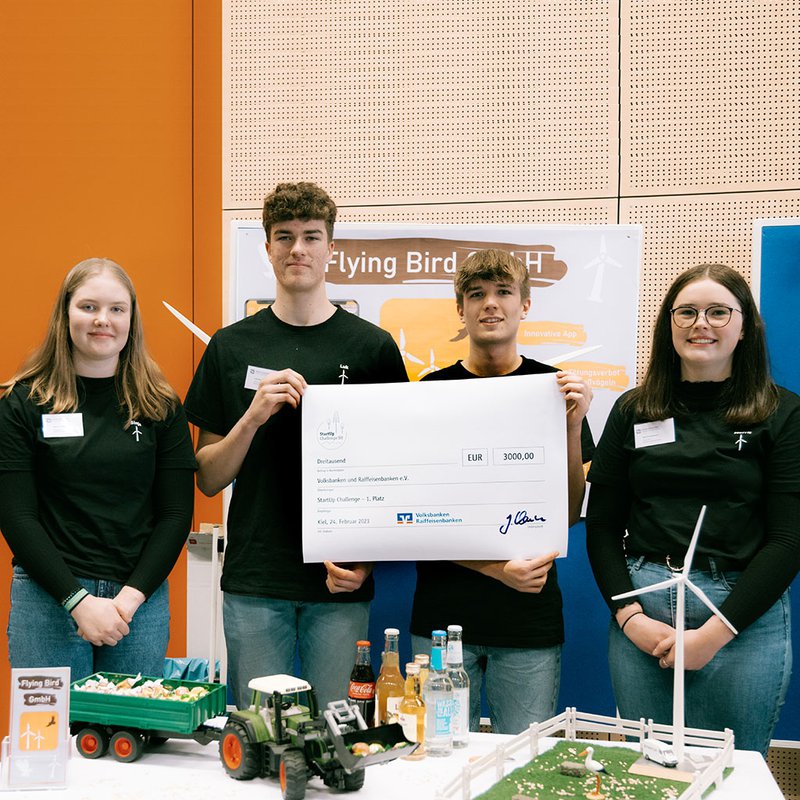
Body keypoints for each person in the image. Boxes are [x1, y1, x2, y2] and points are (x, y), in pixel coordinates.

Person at [184, 182, 408, 709]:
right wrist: (253, 416)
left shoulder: (372, 347)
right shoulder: (230, 346)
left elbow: (399, 474)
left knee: (338, 734)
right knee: (260, 733)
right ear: (267, 248)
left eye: (311, 237)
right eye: (284, 237)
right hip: (256, 576)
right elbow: (209, 476)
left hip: (339, 580)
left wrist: (368, 562)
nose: (297, 249)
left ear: (332, 247)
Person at [585, 264, 800, 756]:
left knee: (733, 771)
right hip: (643, 611)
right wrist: (629, 617)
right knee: (650, 770)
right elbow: (600, 527)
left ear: (745, 327)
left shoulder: (783, 414)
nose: (701, 323)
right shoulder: (633, 409)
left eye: (718, 311)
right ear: (669, 325)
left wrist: (713, 635)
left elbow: (789, 541)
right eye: (686, 312)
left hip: (738, 615)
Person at [409, 248, 595, 733]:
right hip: (441, 621)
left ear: (525, 305)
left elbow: (571, 512)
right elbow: (411, 516)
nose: (490, 304)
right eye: (476, 294)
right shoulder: (429, 392)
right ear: (461, 310)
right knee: (437, 765)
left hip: (527, 624)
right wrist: (496, 569)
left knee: (522, 763)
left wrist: (572, 427)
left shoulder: (555, 389)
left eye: (503, 292)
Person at [0, 258, 196, 680]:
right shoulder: (22, 401)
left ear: (131, 319)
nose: (102, 320)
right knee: (49, 741)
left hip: (137, 607)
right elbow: (16, 515)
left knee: (129, 740)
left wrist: (125, 603)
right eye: (88, 307)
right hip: (48, 600)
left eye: (116, 309)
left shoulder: (161, 405)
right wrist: (78, 601)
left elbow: (176, 514)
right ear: (65, 314)